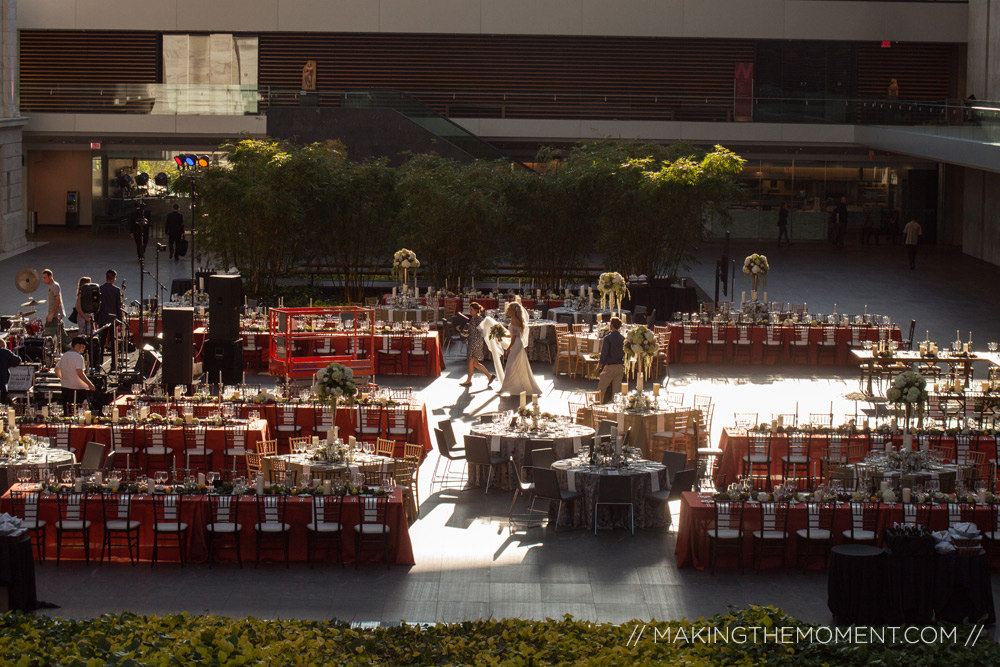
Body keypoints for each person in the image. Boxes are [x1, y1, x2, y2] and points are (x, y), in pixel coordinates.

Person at [497, 301, 542, 396]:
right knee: (513, 366)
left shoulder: (515, 321)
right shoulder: (514, 319)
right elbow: (513, 335)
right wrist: (502, 335)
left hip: (516, 345)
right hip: (516, 343)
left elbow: (514, 337)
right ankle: (509, 386)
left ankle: (504, 388)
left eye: (509, 309)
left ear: (513, 310)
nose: (507, 311)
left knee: (510, 366)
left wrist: (509, 348)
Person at [55, 336, 96, 411]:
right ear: (77, 346)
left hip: (65, 387)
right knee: (79, 412)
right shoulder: (78, 357)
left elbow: (56, 369)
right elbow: (80, 373)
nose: (84, 349)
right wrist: (90, 384)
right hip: (78, 389)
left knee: (67, 411)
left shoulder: (64, 355)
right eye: (83, 347)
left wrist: (63, 378)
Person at [460, 302, 494, 387]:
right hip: (474, 341)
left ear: (476, 310)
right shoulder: (473, 319)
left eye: (471, 310)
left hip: (475, 342)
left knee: (471, 361)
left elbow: (481, 330)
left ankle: (469, 380)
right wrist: (460, 331)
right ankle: (489, 376)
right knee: (474, 363)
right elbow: (469, 332)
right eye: (470, 309)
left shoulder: (478, 319)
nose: (470, 311)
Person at [596, 317, 626, 404]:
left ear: (612, 325)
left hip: (609, 367)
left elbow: (604, 355)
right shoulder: (623, 338)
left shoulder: (608, 338)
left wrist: (598, 368)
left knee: (601, 389)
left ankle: (598, 407)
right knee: (616, 392)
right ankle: (614, 410)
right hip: (620, 366)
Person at [97, 269, 124, 347]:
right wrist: (120, 318)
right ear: (114, 278)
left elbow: (98, 304)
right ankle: (114, 357)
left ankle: (100, 357)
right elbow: (118, 305)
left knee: (102, 339)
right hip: (113, 318)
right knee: (113, 339)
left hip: (102, 317)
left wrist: (96, 318)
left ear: (105, 277)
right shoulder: (116, 290)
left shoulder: (100, 288)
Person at [41, 268, 65, 343]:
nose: (43, 280)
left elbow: (58, 301)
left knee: (48, 333)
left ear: (50, 277)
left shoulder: (55, 286)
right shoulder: (51, 286)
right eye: (43, 278)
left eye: (45, 277)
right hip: (53, 315)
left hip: (55, 316)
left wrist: (52, 314)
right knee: (61, 335)